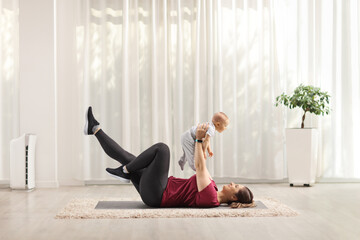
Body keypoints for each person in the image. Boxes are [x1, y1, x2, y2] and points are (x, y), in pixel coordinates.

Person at [84, 106, 255, 208]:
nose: (233, 183)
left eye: (236, 186)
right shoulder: (213, 189)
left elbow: (200, 166)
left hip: (159, 193)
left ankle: (125, 170)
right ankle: (94, 129)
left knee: (163, 149)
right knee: (128, 157)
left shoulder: (210, 195)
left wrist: (199, 138)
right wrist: (203, 144)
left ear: (234, 197)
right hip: (156, 190)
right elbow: (201, 162)